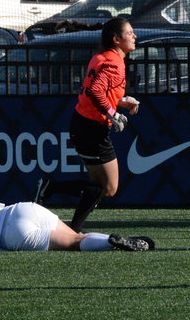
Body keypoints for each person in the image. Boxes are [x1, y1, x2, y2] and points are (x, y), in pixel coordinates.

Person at [34, 17, 140, 233]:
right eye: (130, 33)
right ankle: (51, 188)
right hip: (92, 129)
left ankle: (74, 230)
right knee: (108, 188)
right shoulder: (114, 62)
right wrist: (113, 114)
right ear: (116, 39)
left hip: (83, 125)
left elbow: (99, 91)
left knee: (99, 187)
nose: (134, 36)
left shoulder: (102, 57)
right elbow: (95, 91)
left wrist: (121, 101)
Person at [0, 201, 153, 252]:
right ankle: (116, 240)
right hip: (23, 209)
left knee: (74, 242)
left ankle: (110, 242)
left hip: (11, 234)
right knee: (76, 235)